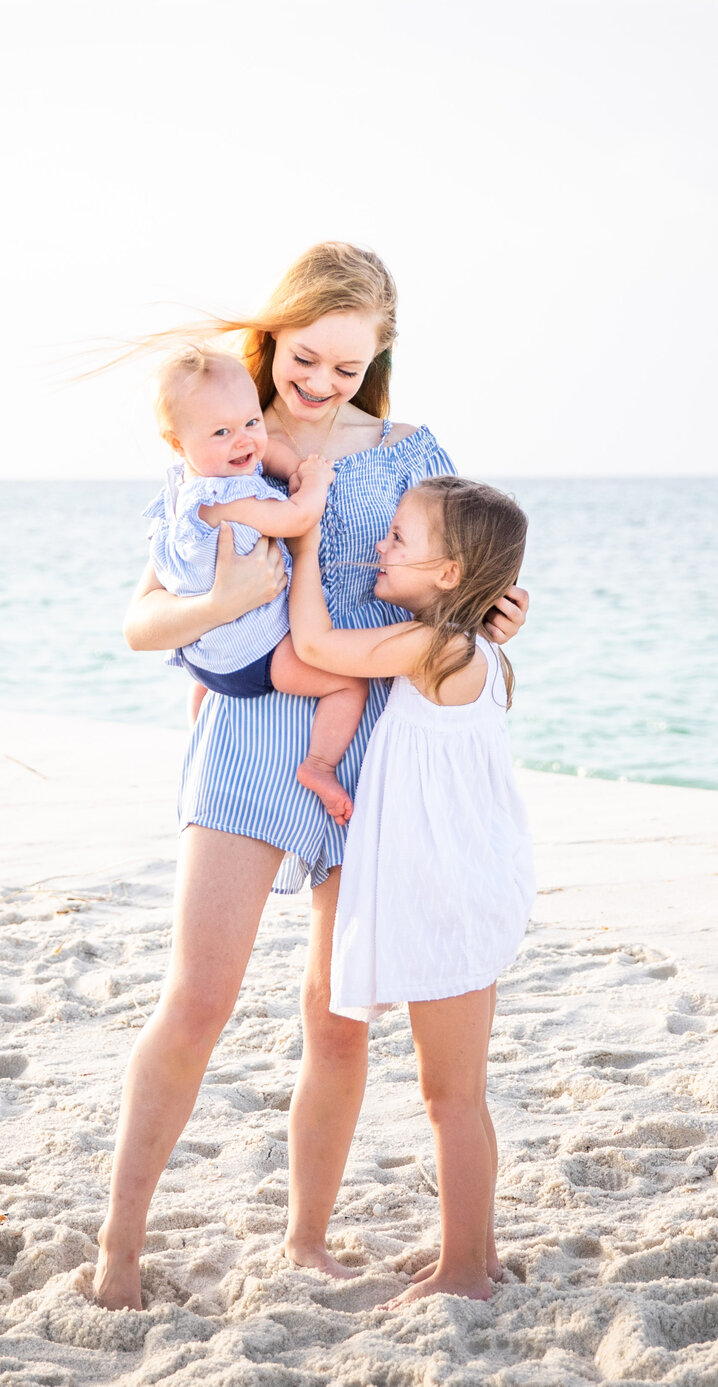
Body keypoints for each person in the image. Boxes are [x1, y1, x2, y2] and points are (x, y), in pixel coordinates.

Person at [96, 241, 529, 1310]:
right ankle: (116, 1246)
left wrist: (506, 612)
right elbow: (141, 618)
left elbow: (457, 567)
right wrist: (211, 611)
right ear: (278, 331)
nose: (321, 383)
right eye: (307, 356)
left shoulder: (413, 447)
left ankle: (307, 1239)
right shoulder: (226, 434)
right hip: (247, 732)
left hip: (369, 747)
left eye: (347, 366)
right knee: (196, 999)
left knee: (337, 1017)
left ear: (375, 357)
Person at [286, 476, 532, 1305]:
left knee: (449, 1095)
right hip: (469, 884)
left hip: (448, 895)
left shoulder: (435, 647)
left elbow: (318, 644)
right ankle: (480, 1251)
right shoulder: (480, 653)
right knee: (461, 1090)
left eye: (399, 538)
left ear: (451, 572)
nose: (382, 548)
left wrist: (307, 534)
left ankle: (463, 1270)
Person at [143, 343, 367, 823]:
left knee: (207, 696)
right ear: (178, 442)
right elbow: (296, 518)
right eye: (222, 432)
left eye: (251, 423)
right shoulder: (224, 498)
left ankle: (198, 730)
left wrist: (282, 460)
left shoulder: (185, 487)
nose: (244, 441)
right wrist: (316, 479)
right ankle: (320, 765)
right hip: (257, 654)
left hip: (205, 665)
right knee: (348, 685)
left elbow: (268, 454)